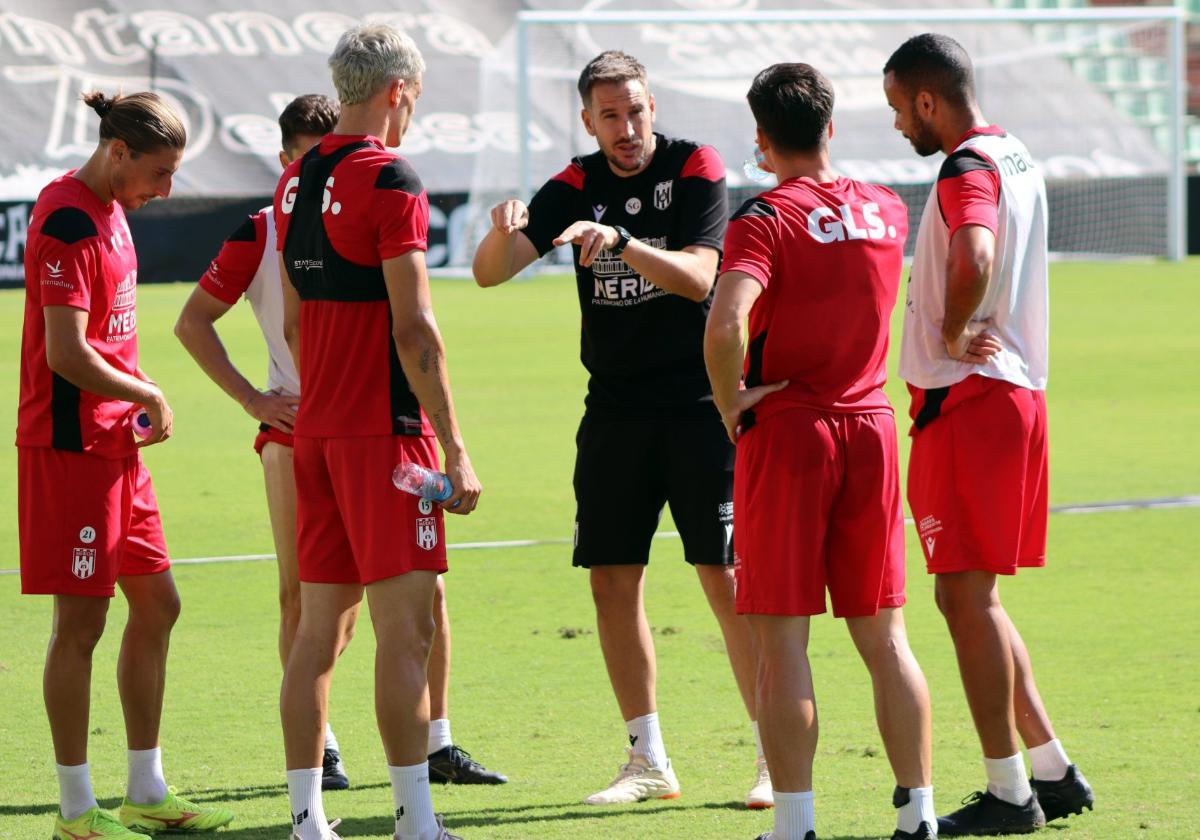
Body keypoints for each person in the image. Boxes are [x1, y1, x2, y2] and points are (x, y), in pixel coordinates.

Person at [174, 95, 505, 792]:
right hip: (315, 433)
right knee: (309, 605)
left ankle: (431, 745)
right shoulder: (266, 226)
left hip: (343, 428)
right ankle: (333, 759)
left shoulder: (339, 202)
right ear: (287, 160)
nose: (315, 170)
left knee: (419, 601)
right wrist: (254, 399)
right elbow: (199, 322)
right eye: (301, 155)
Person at [473, 50, 769, 808]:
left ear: (652, 104)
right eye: (610, 115)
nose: (627, 127)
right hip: (614, 410)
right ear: (588, 121)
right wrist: (501, 230)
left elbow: (702, 277)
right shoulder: (575, 183)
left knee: (726, 577)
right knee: (611, 579)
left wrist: (620, 243)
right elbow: (490, 272)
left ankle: (774, 751)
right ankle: (648, 760)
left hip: (701, 406)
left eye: (636, 110)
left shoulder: (696, 166)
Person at [705, 63, 935, 840]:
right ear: (830, 128)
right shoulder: (887, 209)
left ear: (763, 142)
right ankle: (919, 811)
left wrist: (733, 398)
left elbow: (726, 319)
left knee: (781, 638)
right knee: (886, 636)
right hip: (870, 429)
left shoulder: (762, 218)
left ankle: (795, 823)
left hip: (794, 431)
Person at [883, 33, 1094, 836]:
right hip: (1012, 397)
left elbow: (973, 249)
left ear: (929, 100)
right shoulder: (1014, 154)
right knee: (978, 598)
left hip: (972, 399)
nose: (901, 124)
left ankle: (1010, 793)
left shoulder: (965, 166)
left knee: (961, 597)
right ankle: (1052, 769)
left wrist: (950, 324)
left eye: (902, 108)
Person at [275, 24, 480, 840]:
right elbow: (416, 329)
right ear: (396, 90)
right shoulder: (391, 177)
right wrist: (454, 445)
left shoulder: (296, 180)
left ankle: (305, 819)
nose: (413, 115)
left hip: (318, 432)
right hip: (385, 439)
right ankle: (415, 823)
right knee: (408, 629)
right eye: (416, 99)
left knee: (317, 632)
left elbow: (293, 320)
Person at [16, 90, 235, 839]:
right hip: (71, 452)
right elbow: (69, 353)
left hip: (117, 449)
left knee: (159, 605)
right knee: (80, 624)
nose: (165, 190)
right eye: (160, 173)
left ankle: (145, 788)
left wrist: (133, 406)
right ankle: (76, 811)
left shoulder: (111, 212)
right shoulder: (69, 219)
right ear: (118, 153)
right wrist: (146, 388)